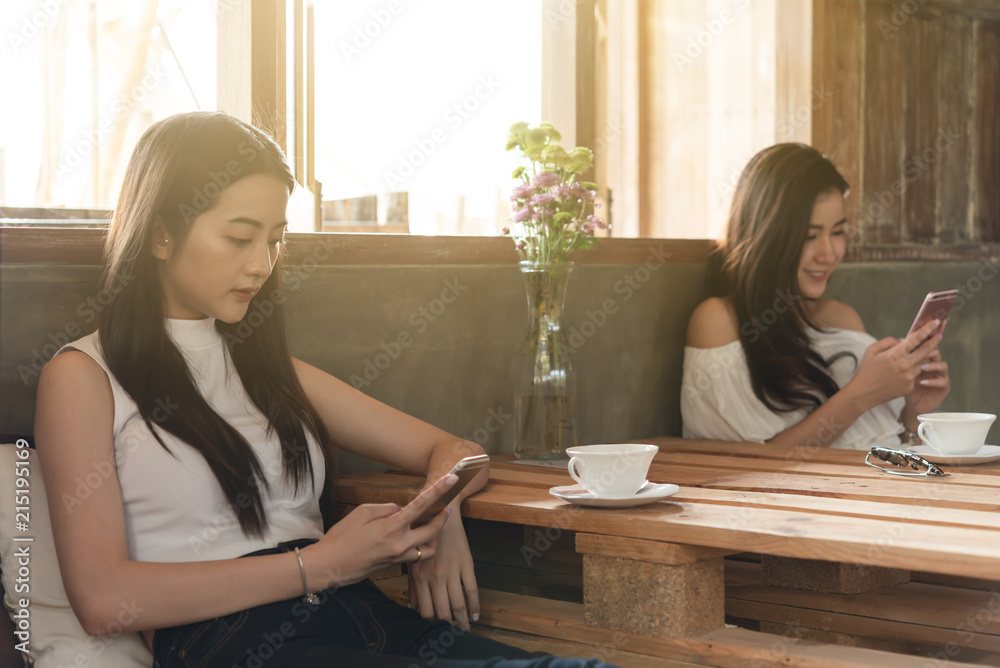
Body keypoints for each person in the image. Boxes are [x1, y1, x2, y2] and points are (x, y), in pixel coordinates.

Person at [34, 111, 616, 668]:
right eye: (239, 238)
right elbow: (104, 600)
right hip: (232, 643)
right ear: (161, 233)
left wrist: (444, 514)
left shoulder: (271, 371)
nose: (262, 265)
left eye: (275, 239)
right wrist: (322, 564)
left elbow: (459, 452)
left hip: (356, 613)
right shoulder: (84, 377)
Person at [681, 143, 950, 450]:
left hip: (887, 487)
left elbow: (883, 446)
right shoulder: (717, 321)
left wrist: (915, 413)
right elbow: (743, 467)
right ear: (765, 236)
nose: (830, 253)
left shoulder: (841, 318)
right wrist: (861, 392)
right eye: (810, 236)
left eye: (837, 232)